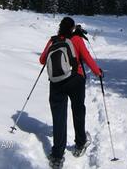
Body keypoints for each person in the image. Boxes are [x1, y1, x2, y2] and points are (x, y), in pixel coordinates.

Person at [40, 17, 103, 167]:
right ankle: (80, 143)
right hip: (76, 79)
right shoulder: (76, 39)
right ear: (73, 28)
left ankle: (57, 156)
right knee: (78, 111)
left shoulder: (53, 40)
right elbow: (86, 58)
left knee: (59, 118)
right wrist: (97, 72)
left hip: (56, 83)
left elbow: (42, 60)